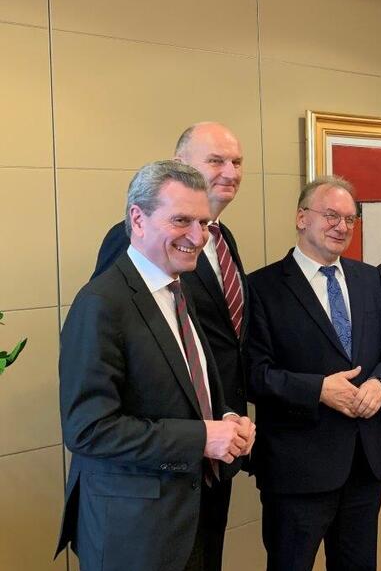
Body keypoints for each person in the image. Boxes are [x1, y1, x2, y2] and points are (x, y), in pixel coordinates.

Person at [55, 160, 255, 571]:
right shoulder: (101, 304)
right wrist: (201, 438)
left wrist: (228, 420)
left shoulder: (178, 291)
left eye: (202, 222)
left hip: (190, 516)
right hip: (135, 533)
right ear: (137, 219)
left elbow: (187, 387)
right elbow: (88, 429)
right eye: (181, 220)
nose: (198, 237)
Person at [245, 176, 381, 571]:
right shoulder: (261, 287)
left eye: (350, 219)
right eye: (331, 216)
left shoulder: (369, 279)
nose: (342, 227)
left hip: (364, 464)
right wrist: (317, 389)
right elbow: (253, 373)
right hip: (296, 471)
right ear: (302, 218)